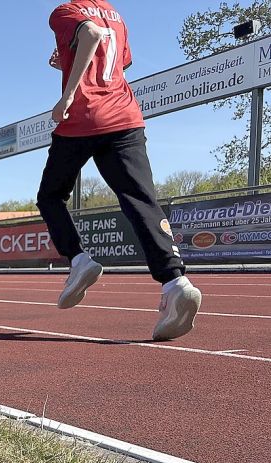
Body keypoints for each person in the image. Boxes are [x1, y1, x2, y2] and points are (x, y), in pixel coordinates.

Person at [40, 0, 201, 341]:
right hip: (125, 116)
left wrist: (67, 95)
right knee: (140, 199)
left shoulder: (65, 12)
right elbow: (112, 66)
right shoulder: (117, 15)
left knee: (50, 196)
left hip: (83, 118)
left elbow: (93, 35)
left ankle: (79, 260)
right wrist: (66, 66)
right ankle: (175, 282)